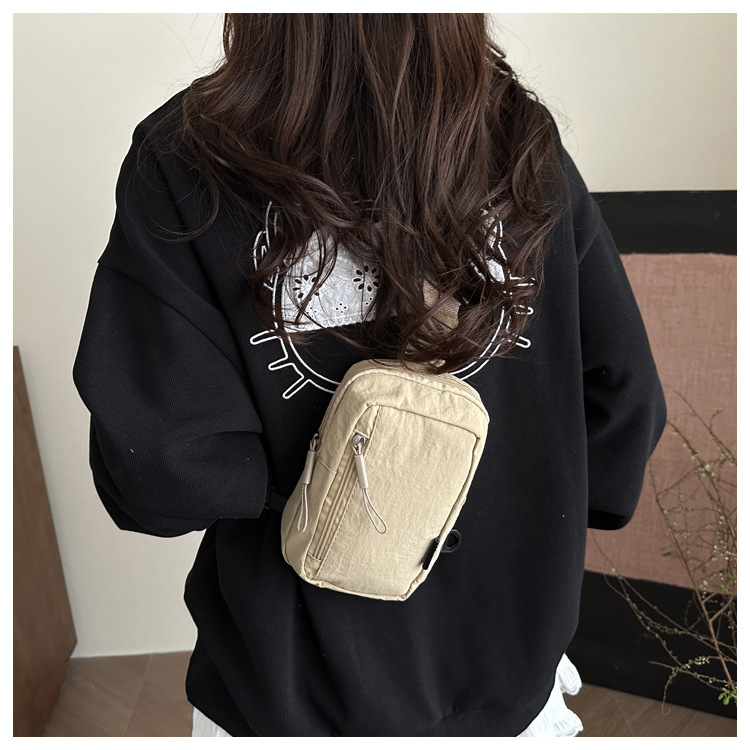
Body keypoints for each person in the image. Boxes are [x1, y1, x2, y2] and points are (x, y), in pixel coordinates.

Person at [73, 13, 666, 737]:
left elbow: (162, 471)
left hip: (294, 685)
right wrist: (530, 499)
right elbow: (623, 396)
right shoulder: (516, 132)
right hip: (509, 667)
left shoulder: (187, 154)